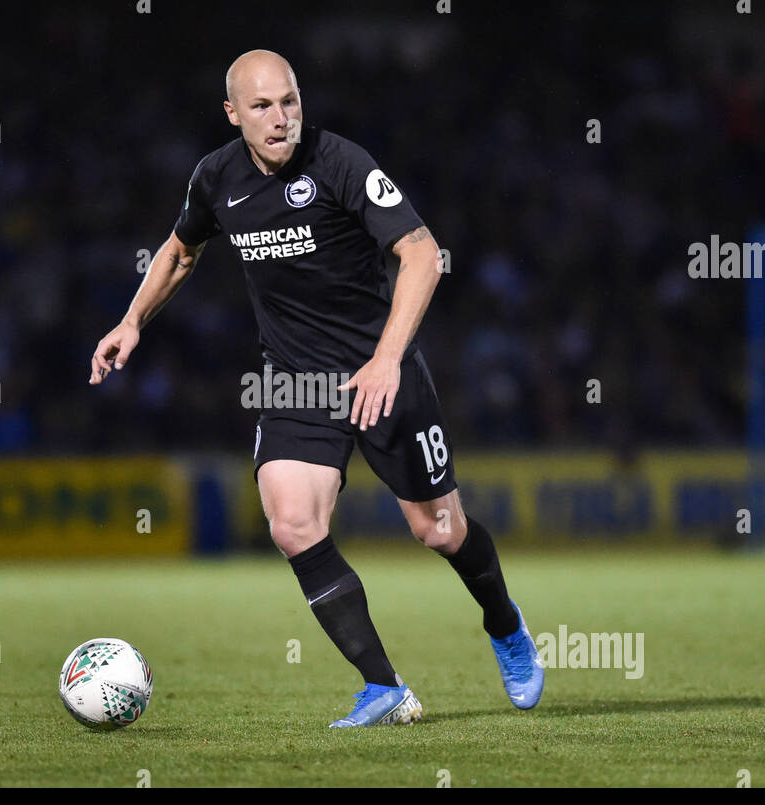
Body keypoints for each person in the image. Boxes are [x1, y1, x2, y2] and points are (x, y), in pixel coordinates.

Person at [89, 49, 544, 727]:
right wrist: (131, 321)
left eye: (291, 101)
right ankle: (384, 687)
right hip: (297, 380)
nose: (281, 118)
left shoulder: (340, 164)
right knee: (292, 521)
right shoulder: (216, 178)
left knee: (438, 529)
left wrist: (388, 358)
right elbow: (182, 251)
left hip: (378, 372)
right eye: (264, 106)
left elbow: (422, 252)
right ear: (233, 114)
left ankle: (505, 626)